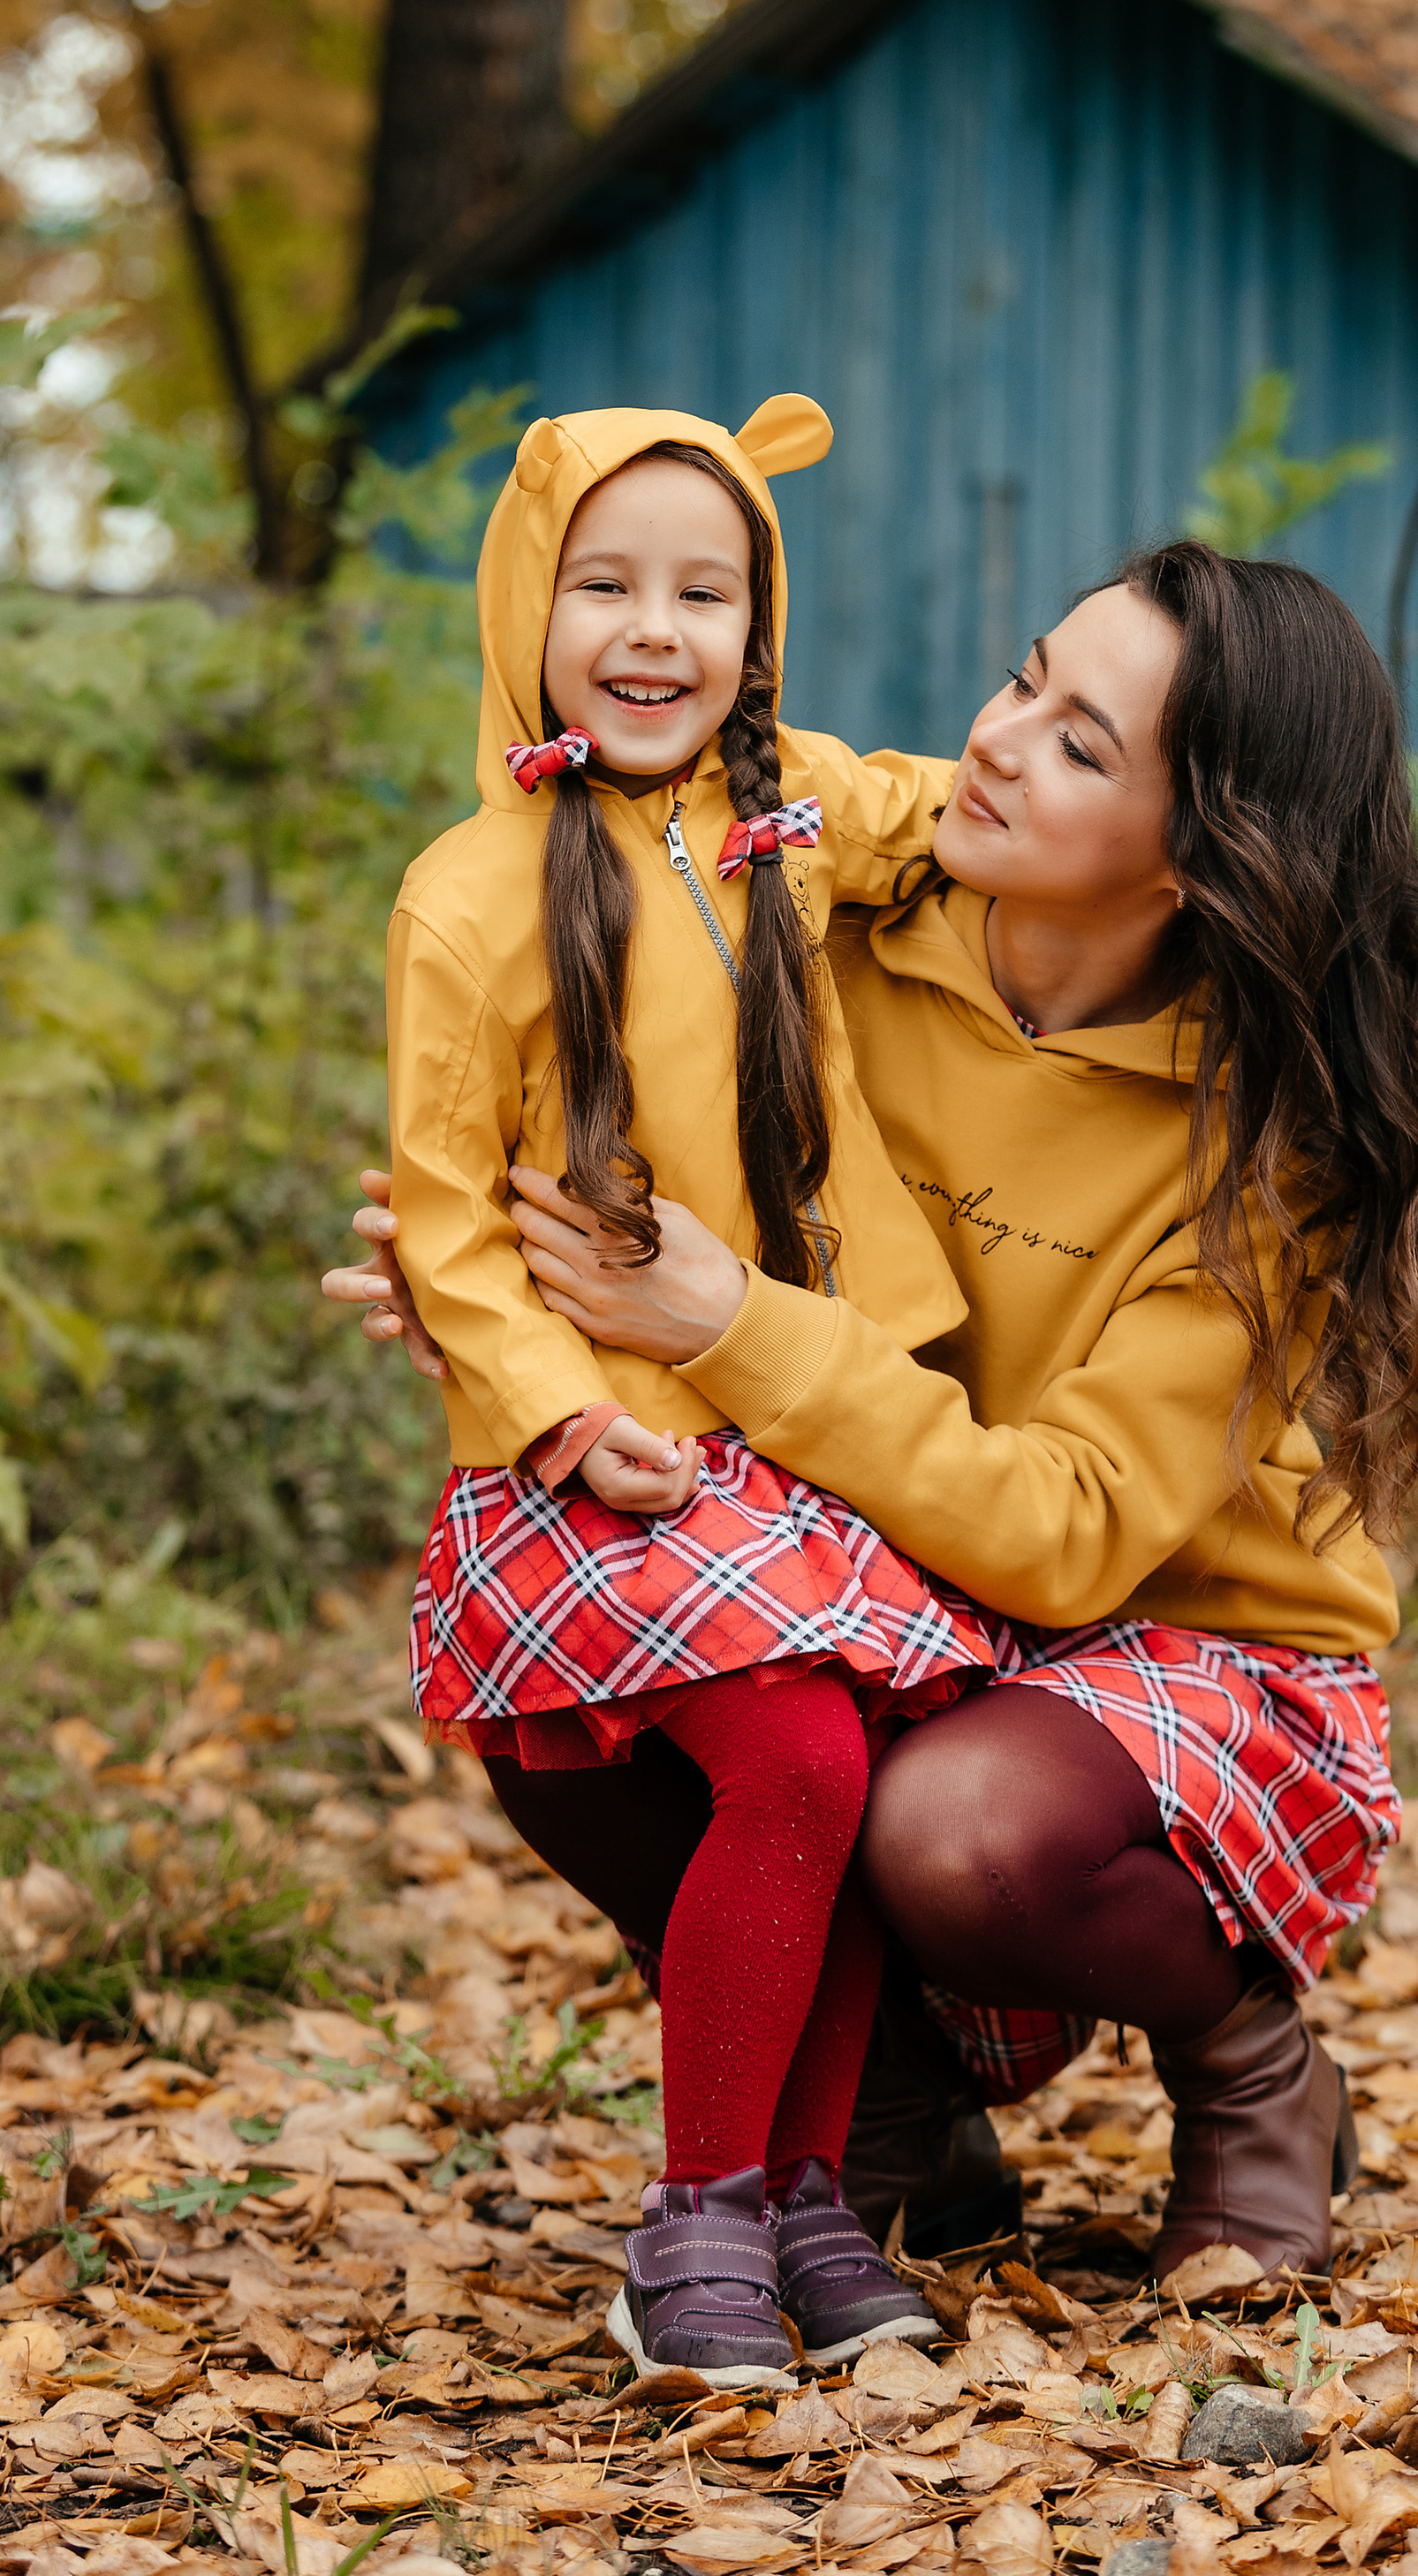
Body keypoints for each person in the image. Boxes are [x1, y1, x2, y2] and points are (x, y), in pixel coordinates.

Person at [336, 542, 1418, 2284]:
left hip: (1173, 1635)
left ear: (1205, 852)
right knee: (559, 1674)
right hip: (871, 1562)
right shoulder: (820, 909)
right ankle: (892, 2093)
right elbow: (622, 1127)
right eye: (1023, 678)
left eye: (1082, 745)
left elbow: (1073, 1529)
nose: (998, 741)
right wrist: (501, 1294)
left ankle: (1250, 2066)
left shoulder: (1267, 1140)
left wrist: (726, 1322)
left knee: (956, 1835)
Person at [386, 394, 1002, 2389]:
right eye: (605, 584)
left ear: (759, 624)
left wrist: (1089, 783)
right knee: (802, 1769)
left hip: (797, 1414)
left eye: (704, 591)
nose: (653, 631)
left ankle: (806, 2198)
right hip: (610, 1455)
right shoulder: (467, 897)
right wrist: (565, 1412)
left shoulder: (788, 808)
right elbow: (449, 1217)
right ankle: (701, 2214)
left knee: (847, 1762)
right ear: (526, 603)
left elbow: (934, 814)